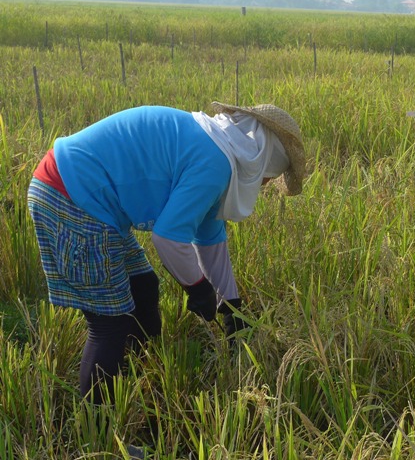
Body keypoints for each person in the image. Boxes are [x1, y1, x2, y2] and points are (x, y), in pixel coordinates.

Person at [26, 102, 308, 405]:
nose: (264, 185)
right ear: (261, 160)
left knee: (144, 286)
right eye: (267, 178)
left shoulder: (218, 146)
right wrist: (197, 288)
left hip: (89, 199)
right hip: (72, 196)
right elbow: (169, 238)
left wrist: (231, 306)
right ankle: (100, 430)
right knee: (109, 323)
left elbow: (209, 235)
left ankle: (133, 372)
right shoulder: (215, 162)